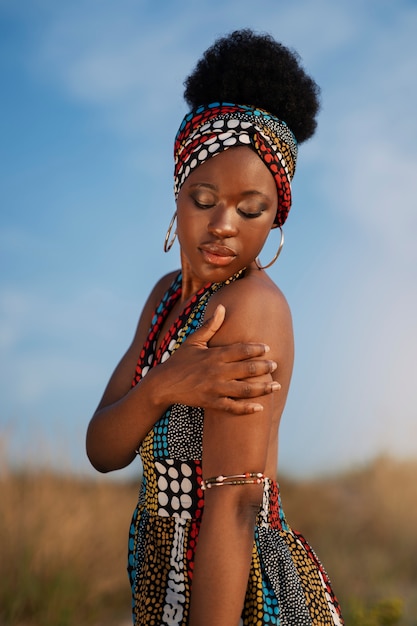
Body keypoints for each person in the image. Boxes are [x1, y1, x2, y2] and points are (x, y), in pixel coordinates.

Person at [86, 29, 344, 626]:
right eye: (204, 199)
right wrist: (164, 385)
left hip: (237, 592)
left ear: (275, 217)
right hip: (169, 571)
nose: (224, 224)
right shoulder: (164, 300)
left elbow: (234, 503)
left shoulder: (252, 308)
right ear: (177, 197)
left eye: (250, 209)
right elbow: (103, 449)